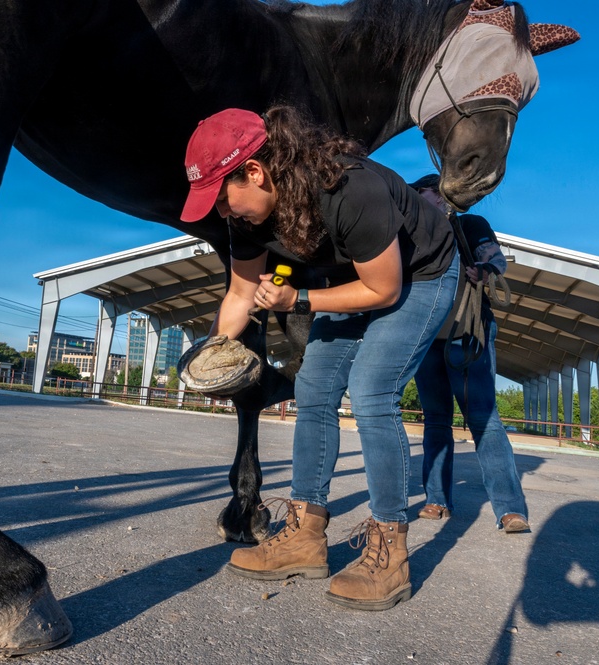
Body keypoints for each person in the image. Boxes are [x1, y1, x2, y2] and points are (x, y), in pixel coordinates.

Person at [179, 106, 459, 611]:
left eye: (222, 197)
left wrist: (298, 300)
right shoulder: (248, 219)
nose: (222, 211)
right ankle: (305, 535)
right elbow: (241, 294)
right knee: (313, 387)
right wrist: (214, 350)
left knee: (372, 388)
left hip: (420, 275)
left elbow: (384, 288)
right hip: (358, 277)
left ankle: (390, 549)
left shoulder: (349, 189)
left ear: (255, 171)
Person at [409, 174, 530, 533]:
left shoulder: (468, 225)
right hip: (428, 338)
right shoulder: (411, 235)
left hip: (467, 333)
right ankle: (436, 499)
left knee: (483, 418)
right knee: (435, 419)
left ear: (441, 197)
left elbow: (494, 258)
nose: (418, 204)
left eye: (423, 196)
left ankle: (509, 508)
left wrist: (484, 270)